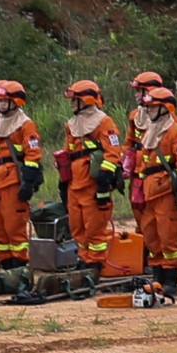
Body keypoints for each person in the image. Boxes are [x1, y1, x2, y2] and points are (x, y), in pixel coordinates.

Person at [126, 83, 177, 293]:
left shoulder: (176, 131)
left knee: (168, 236)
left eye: (153, 107)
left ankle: (171, 280)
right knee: (151, 235)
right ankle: (157, 277)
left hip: (166, 192)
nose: (150, 110)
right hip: (149, 191)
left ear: (165, 108)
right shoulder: (149, 131)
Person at [58, 82, 124, 259]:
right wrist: (63, 180)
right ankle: (84, 259)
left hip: (92, 184)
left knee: (94, 229)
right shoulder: (71, 124)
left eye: (75, 100)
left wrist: (104, 181)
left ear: (85, 100)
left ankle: (95, 265)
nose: (71, 103)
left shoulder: (104, 121)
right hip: (74, 184)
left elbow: (113, 152)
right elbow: (68, 152)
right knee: (77, 228)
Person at [0, 81, 43, 264]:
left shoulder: (26, 125)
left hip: (13, 180)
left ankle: (20, 262)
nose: (0, 104)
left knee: (14, 224)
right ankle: (4, 260)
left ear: (15, 101)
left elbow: (33, 154)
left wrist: (28, 183)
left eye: (4, 100)